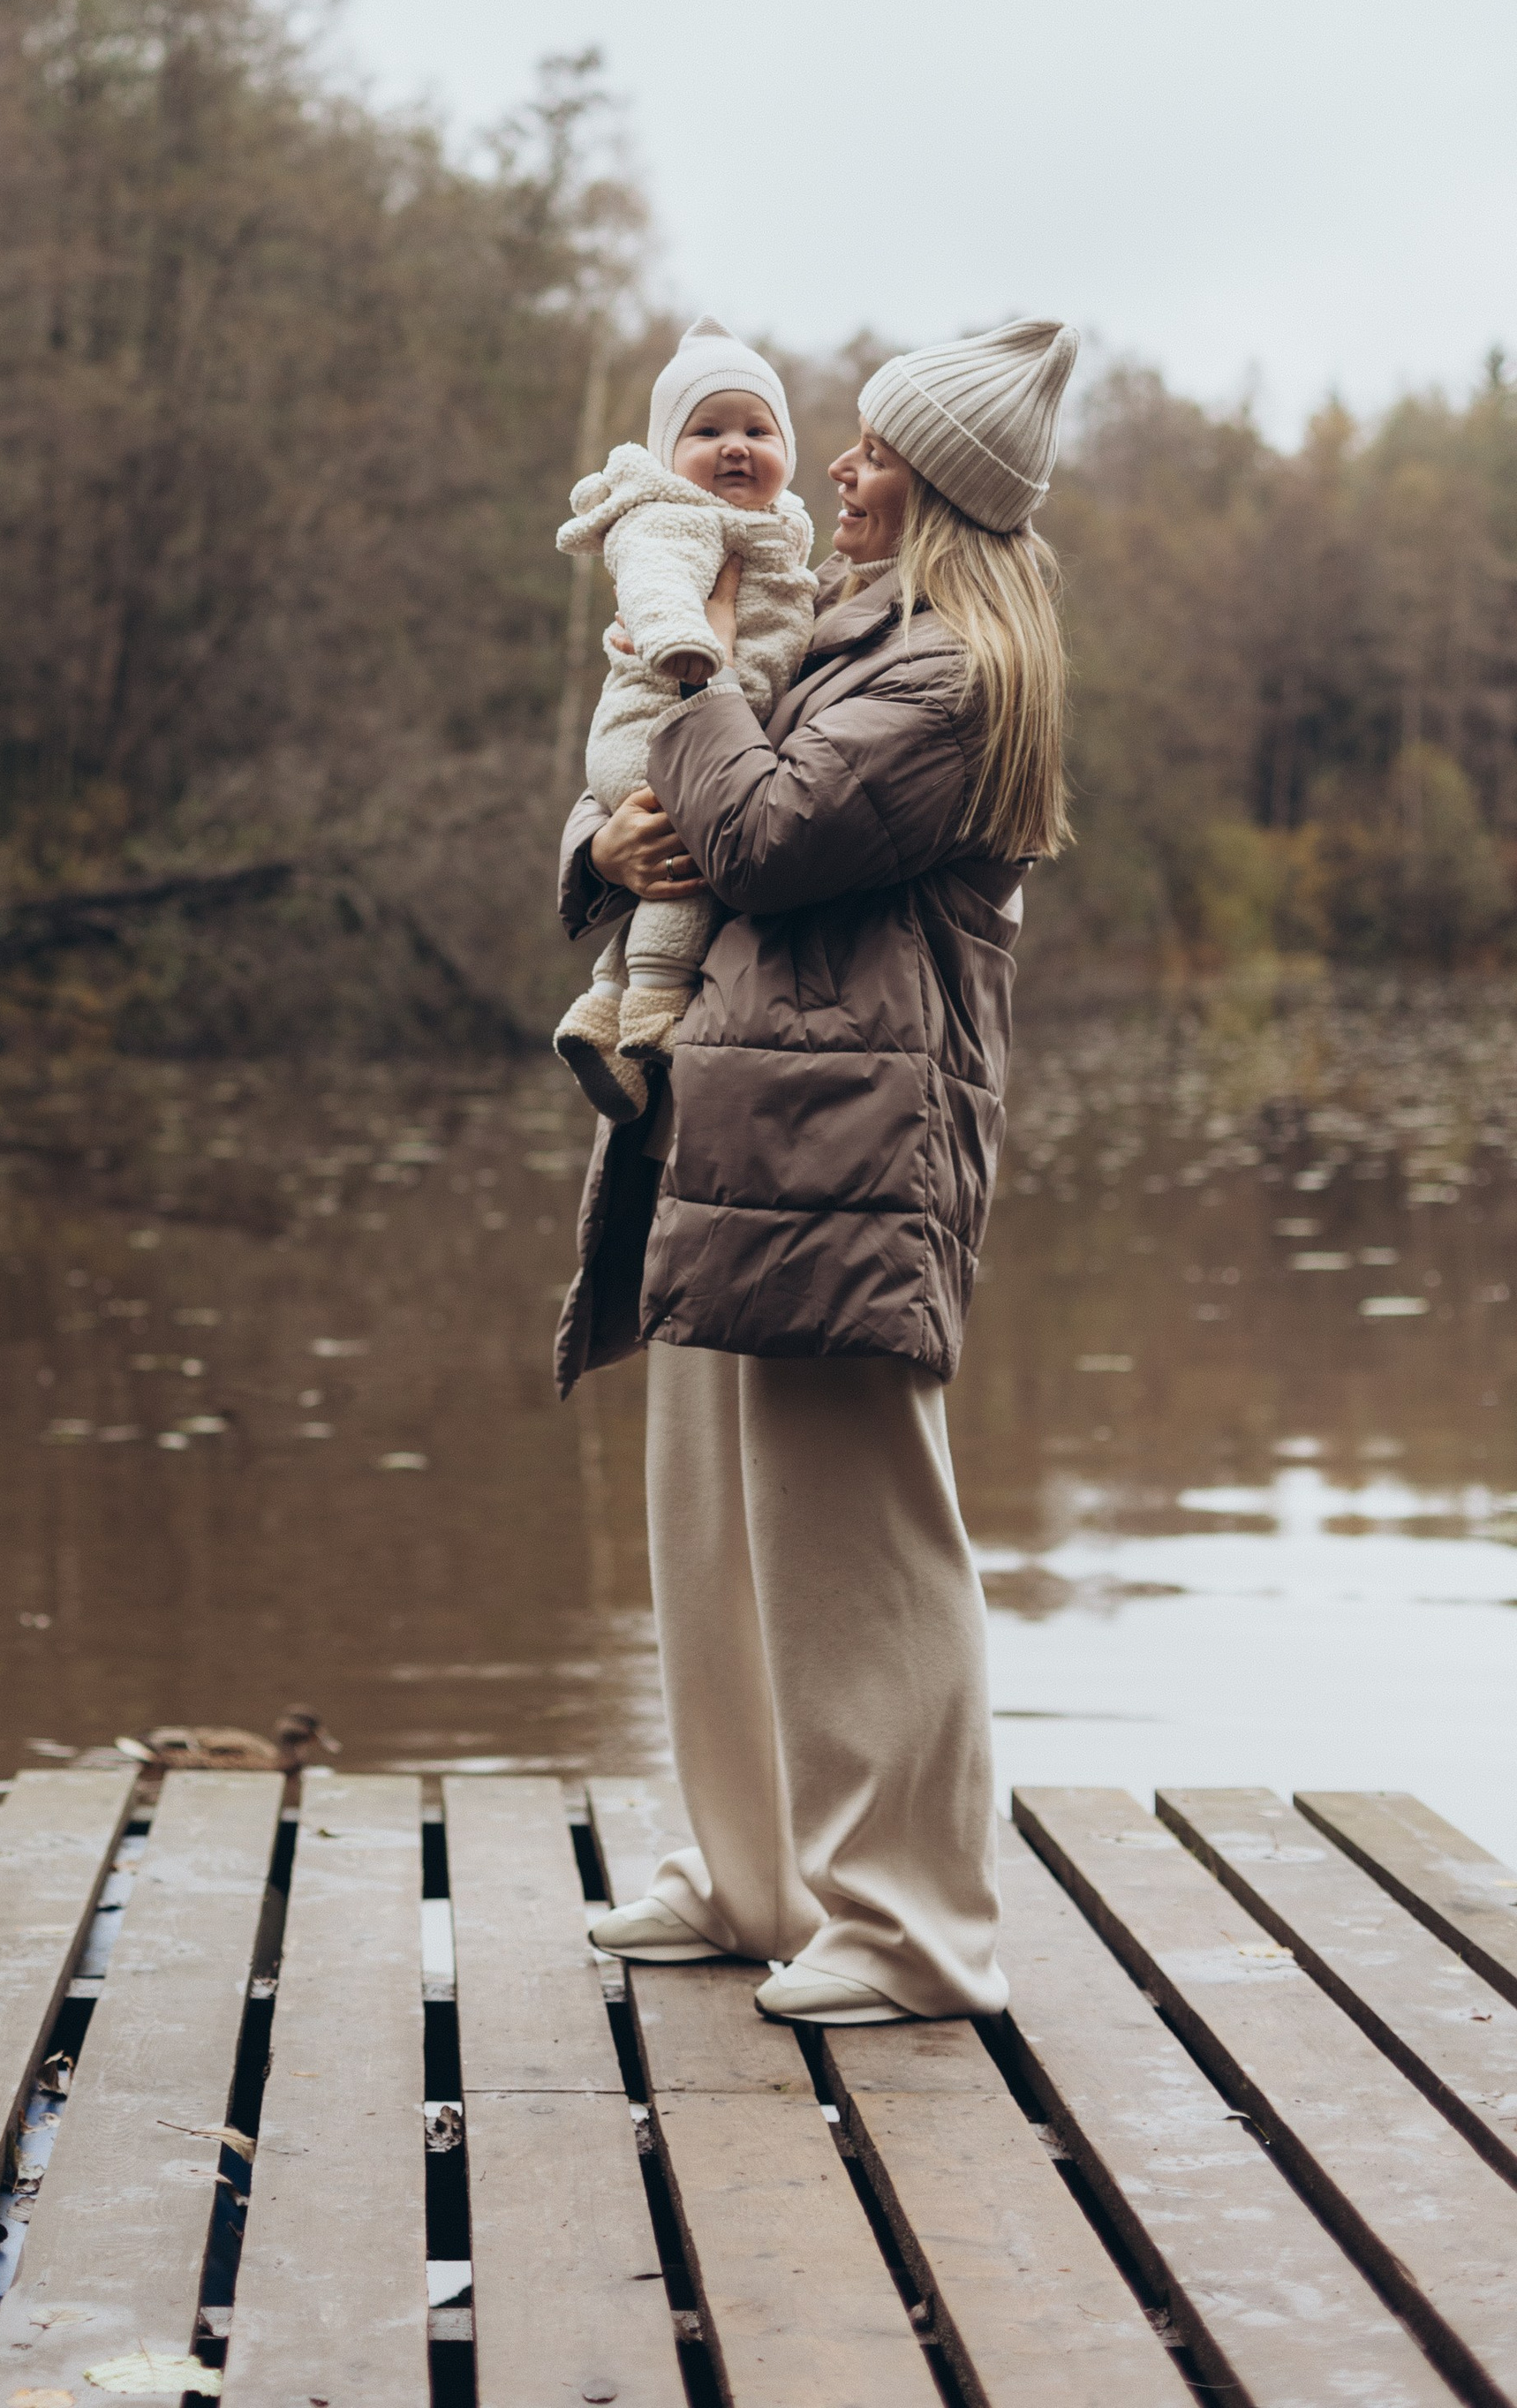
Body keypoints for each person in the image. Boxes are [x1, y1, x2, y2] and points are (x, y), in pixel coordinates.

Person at [560, 316, 1079, 2025]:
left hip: (853, 1144)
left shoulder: (955, 674)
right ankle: (752, 1878)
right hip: (737, 1125)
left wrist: (697, 670)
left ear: (933, 483)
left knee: (865, 1536)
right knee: (715, 1522)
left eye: (868, 448)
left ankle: (916, 1931)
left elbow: (770, 836)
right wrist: (611, 837)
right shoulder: (846, 630)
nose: (836, 467)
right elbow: (686, 806)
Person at [551, 318, 816, 1122]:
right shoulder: (676, 517)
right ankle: (653, 1020)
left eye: (756, 430)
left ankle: (602, 1009)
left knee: (662, 866)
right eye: (707, 431)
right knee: (688, 869)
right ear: (670, 455)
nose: (734, 446)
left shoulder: (780, 534)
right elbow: (657, 580)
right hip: (659, 724)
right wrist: (687, 645)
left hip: (683, 733)